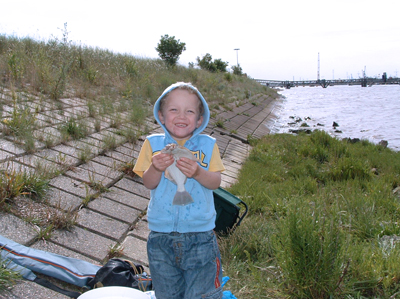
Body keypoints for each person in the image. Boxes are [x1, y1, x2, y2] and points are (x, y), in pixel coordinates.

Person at [133, 82, 225, 299]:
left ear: (200, 119)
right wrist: (155, 167)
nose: (181, 116)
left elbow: (216, 182)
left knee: (202, 294)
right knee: (167, 294)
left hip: (200, 236)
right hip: (161, 237)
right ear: (161, 116)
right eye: (174, 110)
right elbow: (149, 183)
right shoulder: (152, 144)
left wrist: (198, 173)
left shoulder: (208, 145)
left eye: (189, 111)